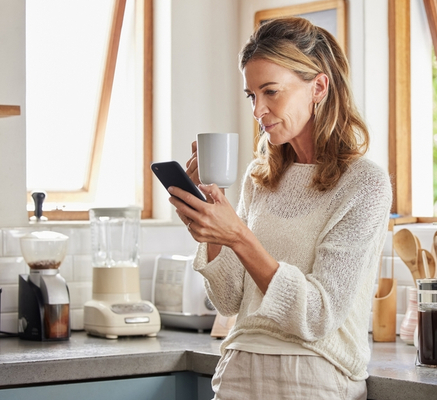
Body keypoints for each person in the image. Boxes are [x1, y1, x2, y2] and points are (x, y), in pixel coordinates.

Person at [167, 17, 392, 399]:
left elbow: (318, 314)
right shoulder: (263, 179)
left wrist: (238, 235)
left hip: (314, 377)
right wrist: (210, 231)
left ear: (318, 86)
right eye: (252, 96)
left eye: (271, 92)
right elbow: (229, 300)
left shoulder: (364, 184)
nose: (258, 110)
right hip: (239, 370)